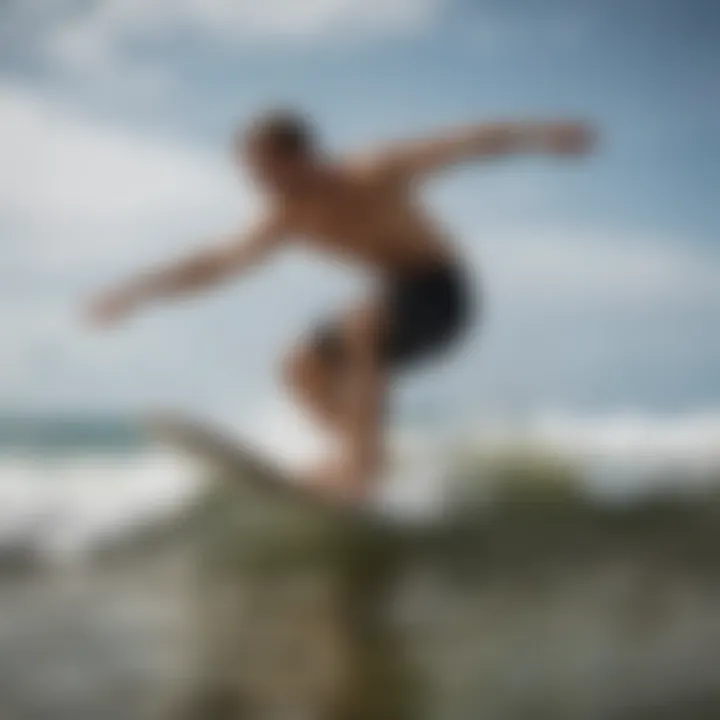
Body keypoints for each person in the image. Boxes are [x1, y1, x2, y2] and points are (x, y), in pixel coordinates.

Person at [88, 112, 594, 504]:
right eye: (250, 170)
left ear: (298, 156)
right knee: (299, 368)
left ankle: (359, 470)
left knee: (362, 319)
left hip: (443, 296)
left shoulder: (373, 169)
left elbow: (462, 143)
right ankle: (366, 462)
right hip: (391, 303)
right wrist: (137, 291)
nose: (254, 180)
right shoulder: (285, 216)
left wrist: (541, 135)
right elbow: (216, 262)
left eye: (262, 167)